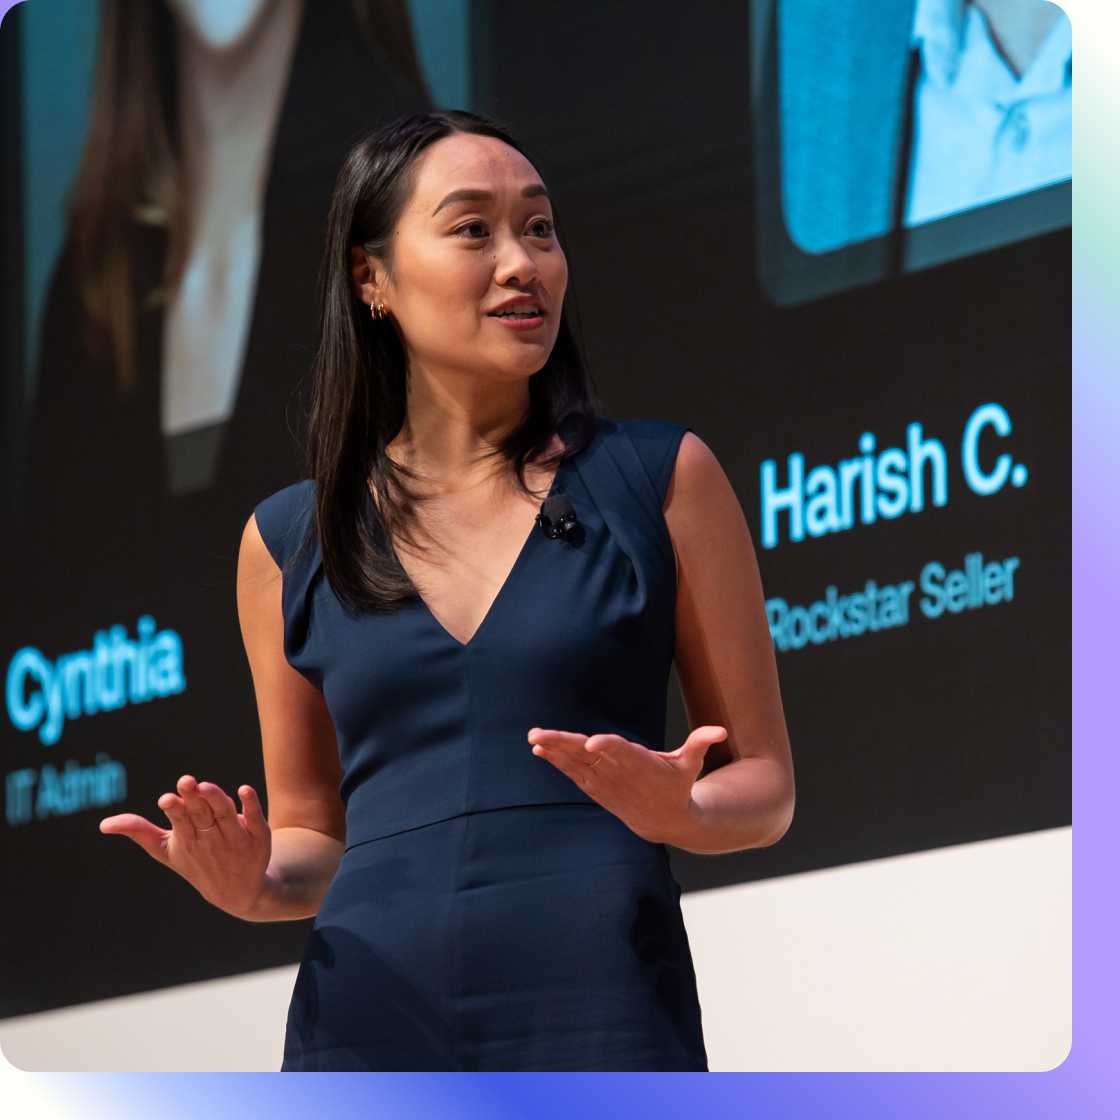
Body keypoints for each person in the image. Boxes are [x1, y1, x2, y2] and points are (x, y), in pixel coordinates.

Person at [99, 109, 796, 1071]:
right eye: (473, 229)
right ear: (371, 277)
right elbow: (311, 837)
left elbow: (762, 787)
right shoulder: (288, 539)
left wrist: (684, 812)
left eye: (540, 228)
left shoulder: (661, 476)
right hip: (371, 1018)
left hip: (602, 1001)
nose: (523, 263)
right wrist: (251, 882)